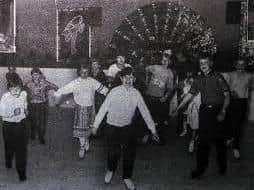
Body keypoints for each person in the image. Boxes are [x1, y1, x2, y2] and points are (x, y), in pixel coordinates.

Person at [92, 67, 159, 190]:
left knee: (129, 153)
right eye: (126, 77)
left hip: (127, 127)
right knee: (113, 152)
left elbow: (145, 112)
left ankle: (127, 177)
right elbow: (103, 109)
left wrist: (153, 130)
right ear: (121, 79)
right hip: (112, 126)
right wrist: (95, 125)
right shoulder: (114, 92)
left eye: (131, 77)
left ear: (134, 79)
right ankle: (110, 170)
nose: (128, 80)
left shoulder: (136, 93)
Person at [174, 55, 230, 179]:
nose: (203, 65)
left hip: (218, 110)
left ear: (210, 64)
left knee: (219, 141)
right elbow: (190, 94)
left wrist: (223, 111)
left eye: (205, 63)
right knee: (202, 141)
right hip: (205, 111)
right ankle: (200, 170)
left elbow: (227, 95)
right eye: (201, 63)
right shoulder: (198, 79)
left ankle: (222, 167)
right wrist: (179, 107)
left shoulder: (218, 77)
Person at [54, 62, 108, 159]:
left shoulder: (92, 81)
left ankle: (86, 140)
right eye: (82, 72)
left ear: (89, 72)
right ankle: (82, 147)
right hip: (80, 109)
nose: (84, 74)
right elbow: (62, 90)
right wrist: (57, 97)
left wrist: (113, 95)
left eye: (87, 72)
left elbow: (104, 90)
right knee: (81, 129)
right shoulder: (75, 83)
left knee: (89, 128)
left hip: (91, 108)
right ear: (79, 72)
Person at [0, 78, 28, 182]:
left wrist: (26, 109)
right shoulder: (5, 97)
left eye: (18, 89)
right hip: (8, 125)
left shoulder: (24, 94)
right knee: (9, 146)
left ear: (21, 88)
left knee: (21, 149)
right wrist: (12, 113)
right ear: (8, 89)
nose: (16, 91)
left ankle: (22, 173)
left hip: (20, 124)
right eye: (13, 89)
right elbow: (1, 113)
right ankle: (8, 162)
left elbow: (24, 103)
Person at [225, 59, 253, 159]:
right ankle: (229, 138)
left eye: (242, 64)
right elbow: (225, 87)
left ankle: (236, 147)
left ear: (245, 66)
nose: (240, 66)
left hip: (242, 103)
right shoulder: (230, 75)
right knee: (229, 122)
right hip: (232, 102)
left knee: (239, 125)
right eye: (238, 64)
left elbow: (250, 87)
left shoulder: (250, 76)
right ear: (235, 65)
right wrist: (231, 91)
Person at [145, 53, 174, 144]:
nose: (164, 61)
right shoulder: (155, 67)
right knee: (148, 117)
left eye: (167, 60)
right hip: (149, 97)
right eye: (163, 59)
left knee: (160, 120)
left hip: (159, 99)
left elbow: (170, 89)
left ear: (170, 62)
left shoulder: (170, 73)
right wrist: (147, 79)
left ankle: (158, 137)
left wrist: (165, 97)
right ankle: (148, 135)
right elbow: (146, 69)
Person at [25, 67, 58, 144]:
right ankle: (32, 133)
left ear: (40, 75)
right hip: (32, 105)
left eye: (37, 74)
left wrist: (58, 93)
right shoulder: (28, 84)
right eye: (33, 75)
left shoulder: (45, 83)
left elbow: (54, 86)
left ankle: (41, 137)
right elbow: (23, 92)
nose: (35, 76)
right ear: (31, 76)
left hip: (42, 105)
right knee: (32, 121)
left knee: (42, 122)